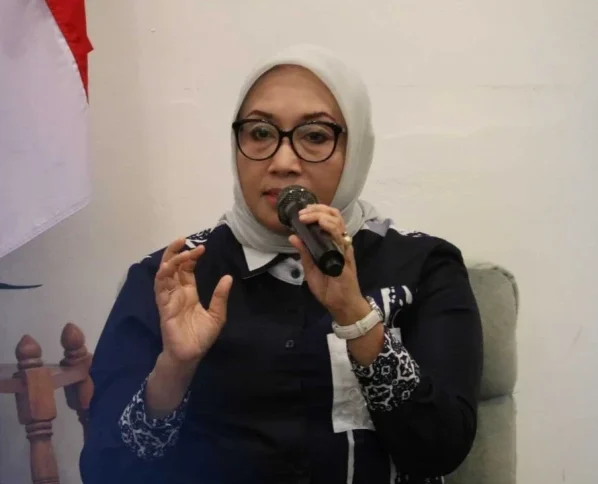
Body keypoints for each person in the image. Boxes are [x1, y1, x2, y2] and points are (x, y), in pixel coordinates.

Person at [79, 44, 483, 484]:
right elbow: (106, 469)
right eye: (259, 133)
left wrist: (357, 318)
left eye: (315, 136)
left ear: (355, 150)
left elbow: (441, 450)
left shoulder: (423, 267)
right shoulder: (176, 277)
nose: (283, 162)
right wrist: (175, 368)